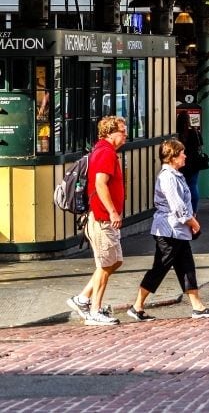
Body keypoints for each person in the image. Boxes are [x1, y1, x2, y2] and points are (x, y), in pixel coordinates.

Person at [127, 138, 209, 322]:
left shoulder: (175, 174)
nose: (185, 156)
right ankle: (137, 306)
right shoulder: (168, 177)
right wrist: (193, 223)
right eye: (182, 153)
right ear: (172, 156)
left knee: (186, 267)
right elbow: (177, 206)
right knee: (160, 268)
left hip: (177, 230)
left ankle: (198, 307)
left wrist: (190, 222)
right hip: (169, 230)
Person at [67, 115, 127, 326]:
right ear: (109, 133)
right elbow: (101, 184)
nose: (125, 134)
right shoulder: (105, 153)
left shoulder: (106, 151)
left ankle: (82, 299)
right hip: (102, 218)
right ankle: (94, 310)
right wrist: (112, 211)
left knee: (115, 261)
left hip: (105, 218)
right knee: (105, 264)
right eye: (122, 130)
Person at [176, 110, 204, 213]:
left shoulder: (177, 134)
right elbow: (201, 144)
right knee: (193, 185)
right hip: (194, 163)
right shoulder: (194, 131)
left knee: (180, 187)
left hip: (180, 163)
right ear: (189, 120)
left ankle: (183, 210)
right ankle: (194, 211)